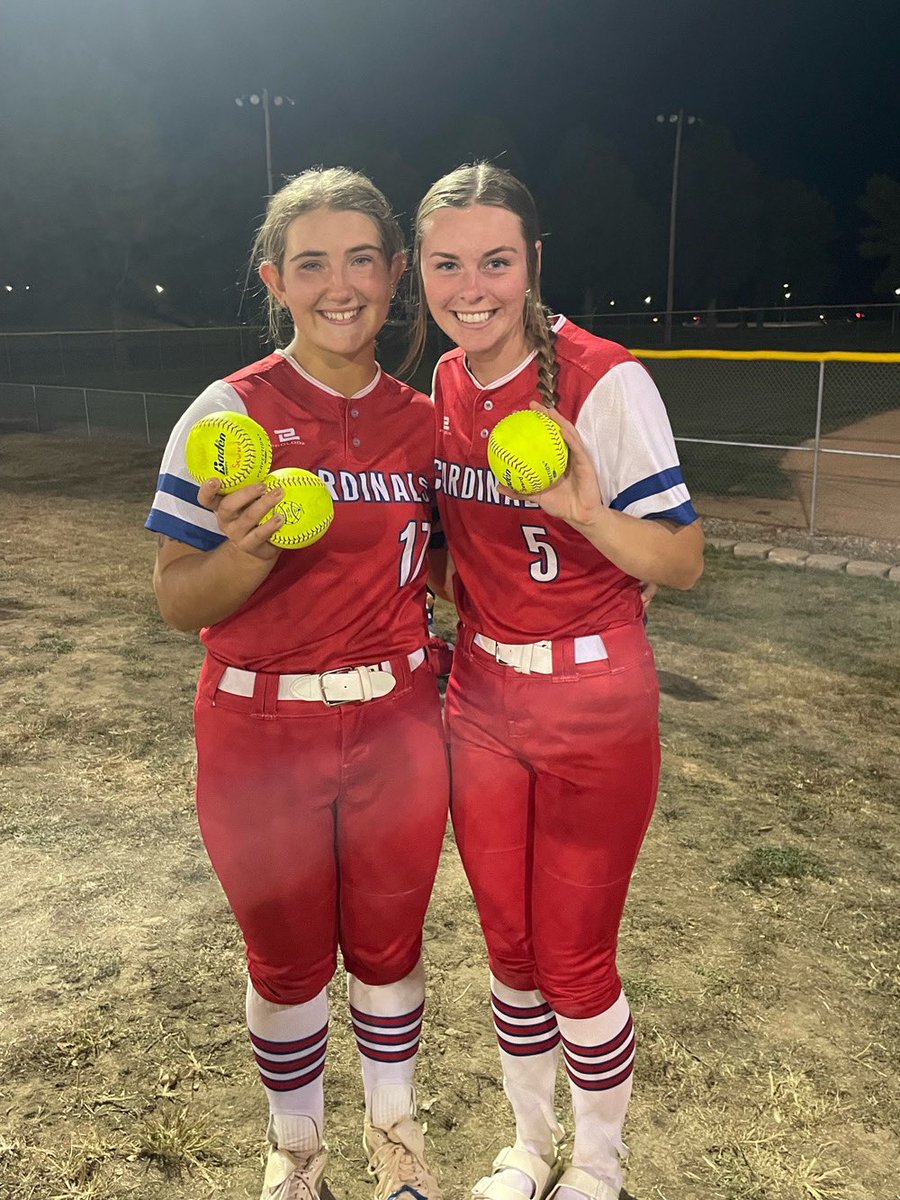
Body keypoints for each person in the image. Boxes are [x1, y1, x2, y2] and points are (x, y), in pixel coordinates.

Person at [146, 167, 449, 1200]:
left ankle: (397, 1141)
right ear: (275, 278)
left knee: (390, 946)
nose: (339, 284)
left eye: (361, 258)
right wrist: (249, 557)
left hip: (400, 722)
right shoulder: (227, 411)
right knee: (285, 961)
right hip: (259, 727)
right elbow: (180, 600)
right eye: (310, 262)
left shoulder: (425, 420)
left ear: (396, 272)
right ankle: (298, 1151)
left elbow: (458, 564)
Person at [404, 163, 704, 1200]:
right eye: (447, 263)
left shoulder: (603, 376)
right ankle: (527, 1151)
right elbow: (454, 552)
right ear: (422, 275)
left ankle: (600, 1165)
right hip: (482, 704)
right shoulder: (443, 383)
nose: (471, 285)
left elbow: (681, 561)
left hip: (593, 702)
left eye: (496, 259)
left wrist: (585, 515)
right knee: (510, 950)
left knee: (575, 958)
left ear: (534, 263)